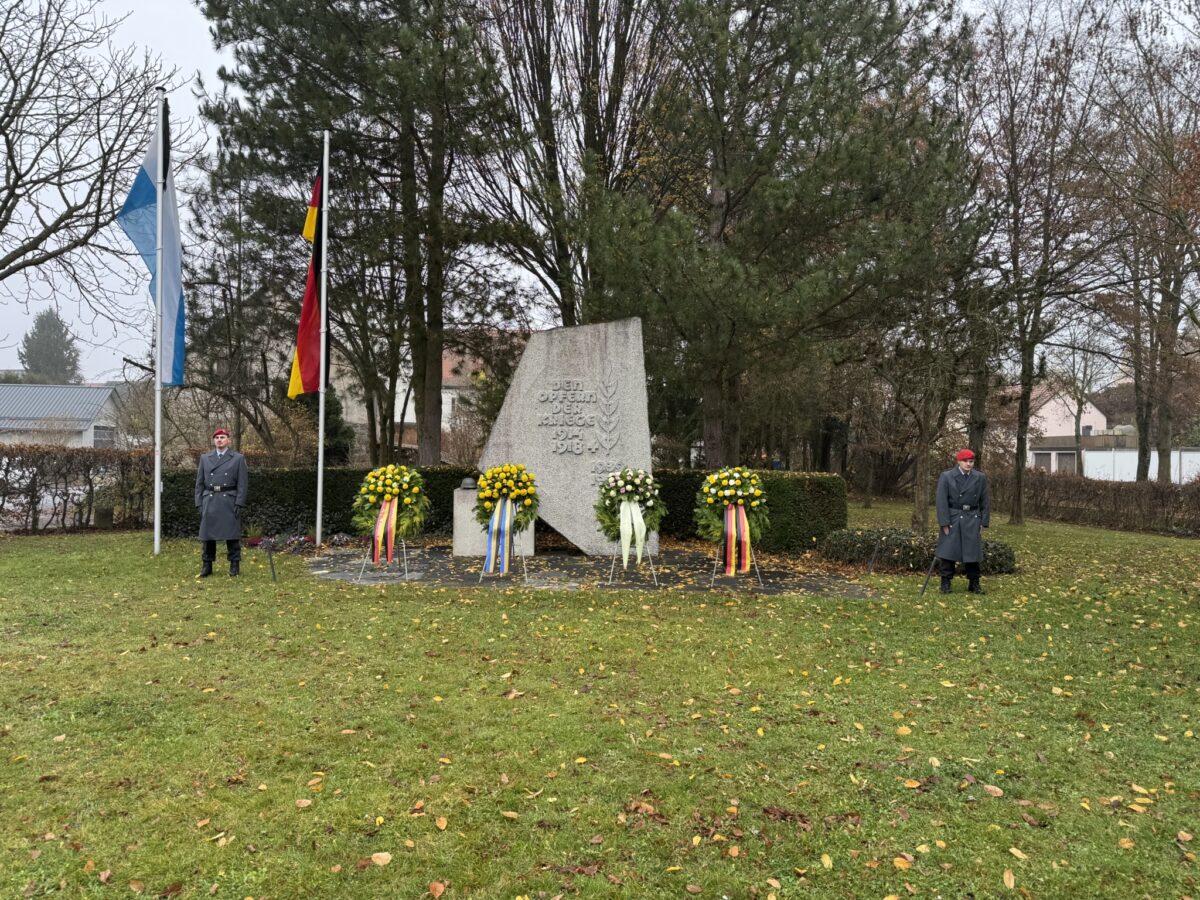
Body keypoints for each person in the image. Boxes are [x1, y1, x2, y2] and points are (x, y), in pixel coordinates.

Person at [194, 427, 249, 577]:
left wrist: (239, 502)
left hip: (229, 500)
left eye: (223, 437)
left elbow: (242, 484)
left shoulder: (238, 458)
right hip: (210, 499)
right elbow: (199, 483)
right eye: (217, 438)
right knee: (207, 536)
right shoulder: (205, 458)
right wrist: (199, 502)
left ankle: (234, 565)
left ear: (228, 440)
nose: (219, 440)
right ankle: (207, 566)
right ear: (214, 441)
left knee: (232, 536)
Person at [934, 448, 990, 594]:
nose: (968, 464)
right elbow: (941, 501)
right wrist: (944, 522)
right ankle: (945, 583)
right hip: (953, 516)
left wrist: (983, 521)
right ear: (959, 461)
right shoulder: (946, 476)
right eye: (965, 461)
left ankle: (974, 583)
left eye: (971, 461)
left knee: (973, 554)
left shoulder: (980, 477)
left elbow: (984, 501)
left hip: (972, 517)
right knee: (948, 552)